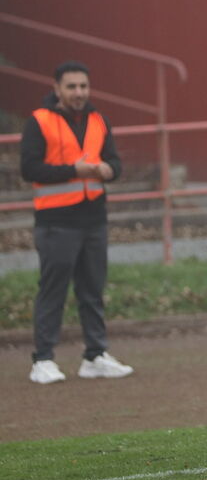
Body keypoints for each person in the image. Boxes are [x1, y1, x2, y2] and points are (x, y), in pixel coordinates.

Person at [21, 61, 134, 384]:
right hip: (56, 221)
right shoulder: (39, 121)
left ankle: (95, 355)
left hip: (94, 219)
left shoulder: (99, 120)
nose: (79, 93)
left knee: (92, 290)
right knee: (52, 291)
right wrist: (75, 170)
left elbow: (113, 161)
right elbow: (30, 169)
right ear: (57, 88)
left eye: (83, 86)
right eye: (71, 86)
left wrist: (110, 170)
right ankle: (42, 360)